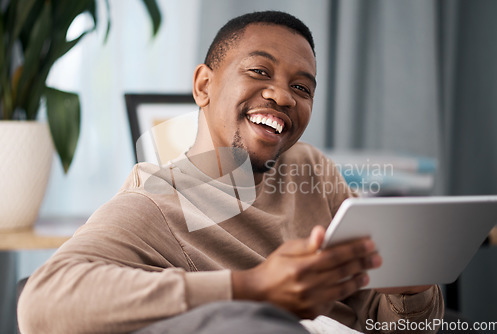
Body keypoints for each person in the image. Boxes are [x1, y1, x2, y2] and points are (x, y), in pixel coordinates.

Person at [18, 10, 444, 334]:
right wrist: (251, 288)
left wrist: (410, 292)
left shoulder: (311, 169)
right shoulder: (157, 203)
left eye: (302, 88)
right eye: (259, 71)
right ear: (204, 86)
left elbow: (382, 321)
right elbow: (38, 304)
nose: (282, 95)